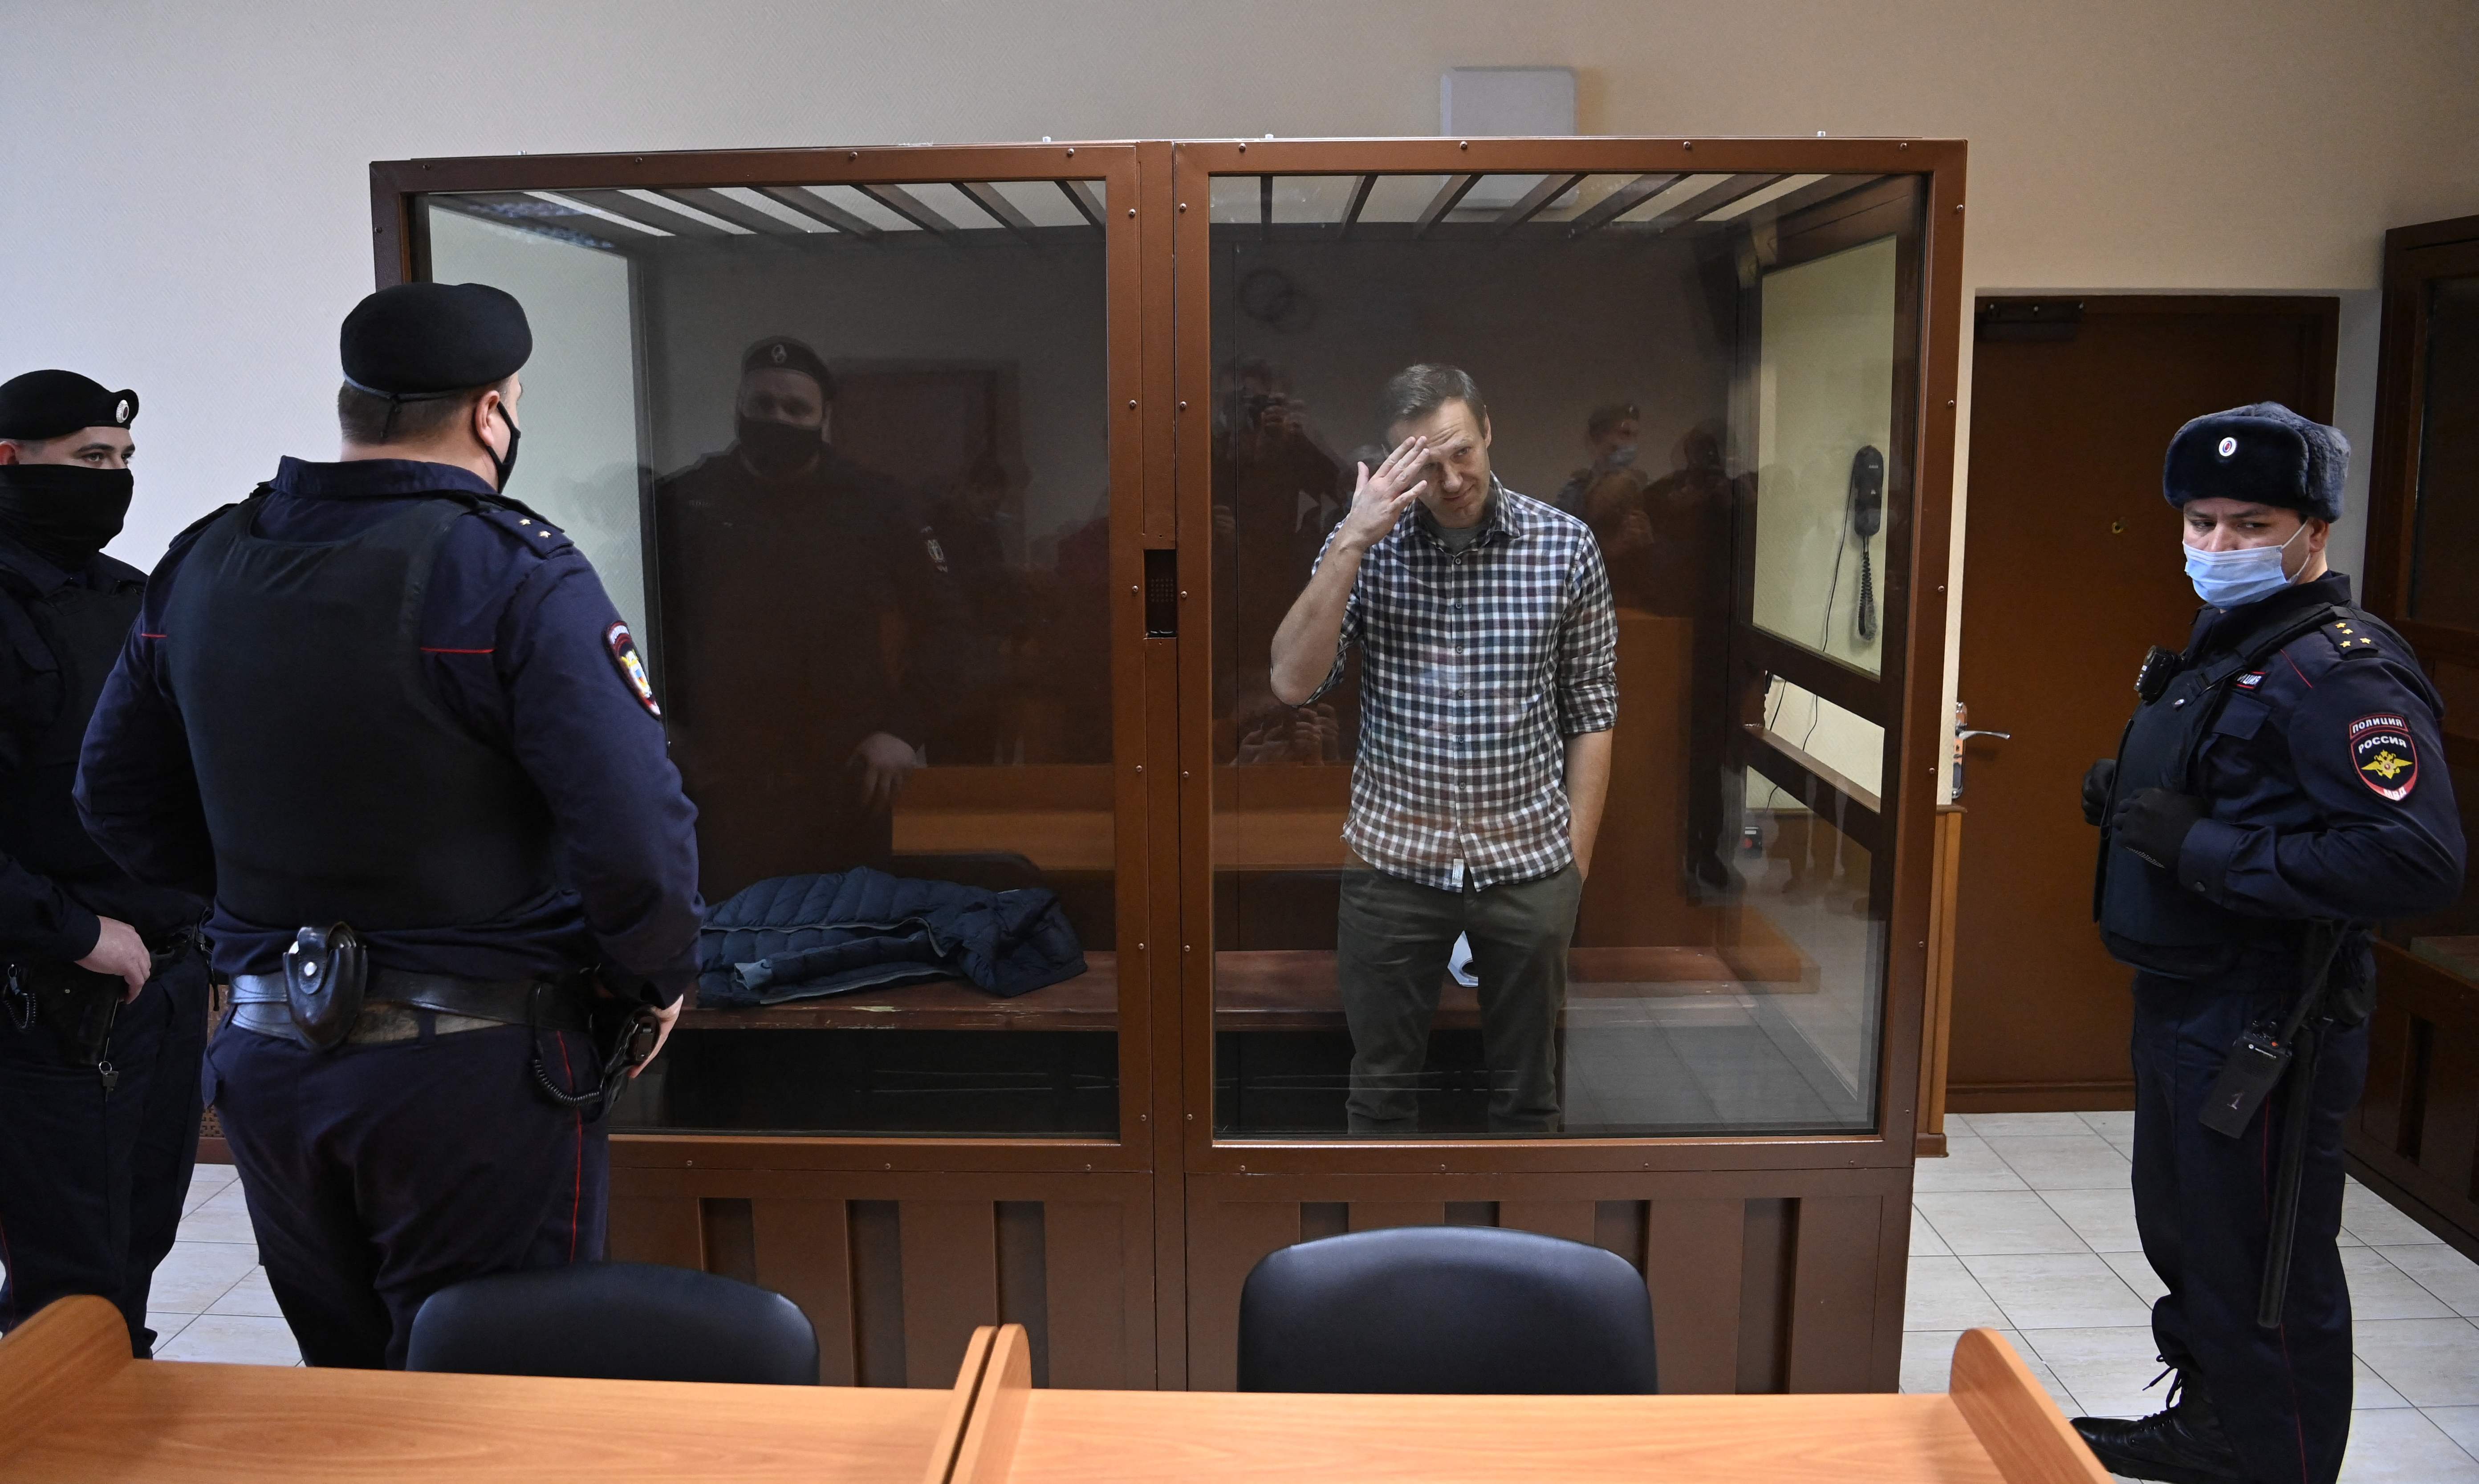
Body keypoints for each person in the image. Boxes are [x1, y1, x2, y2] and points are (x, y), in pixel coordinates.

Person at [74, 283, 703, 1369]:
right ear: (491, 412)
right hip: (477, 1074)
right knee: (494, 1393)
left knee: (351, 1388)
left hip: (271, 1058)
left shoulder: (207, 560)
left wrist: (254, 921)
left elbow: (114, 796)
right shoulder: (514, 574)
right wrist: (650, 979)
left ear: (353, 405)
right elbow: (634, 835)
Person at [2073, 403, 2466, 1484]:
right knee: (2192, 1238)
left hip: (2269, 1015)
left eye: (2248, 524)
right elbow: (2250, 788)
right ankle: (2214, 1427)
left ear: (2312, 530)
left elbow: (2412, 861)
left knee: (2268, 1269)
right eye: (2199, 521)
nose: (2216, 547)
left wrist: (2204, 847)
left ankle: (2276, 1461)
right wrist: (2135, 803)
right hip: (2187, 997)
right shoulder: (2231, 650)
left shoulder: (2337, 671)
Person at [1269, 364, 1616, 1134]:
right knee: (1380, 1091)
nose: (1450, 478)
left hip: (1528, 862)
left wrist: (1573, 868)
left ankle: (1517, 1255)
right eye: (1424, 464)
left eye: (1460, 450)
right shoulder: (1365, 543)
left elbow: (1591, 708)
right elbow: (1292, 681)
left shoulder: (1564, 546)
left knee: (1529, 1096)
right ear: (1393, 463)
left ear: (1487, 429)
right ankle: (1385, 1257)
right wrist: (1353, 537)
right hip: (1393, 861)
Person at [0, 371, 209, 1355]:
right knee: (67, 1280)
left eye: (123, 460)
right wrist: (77, 931)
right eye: (90, 459)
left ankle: (117, 1431)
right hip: (45, 988)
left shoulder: (134, 595)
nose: (114, 480)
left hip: (162, 974)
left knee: (139, 1241)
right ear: (10, 460)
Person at [651, 337, 964, 897]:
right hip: (717, 782)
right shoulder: (685, 502)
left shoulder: (877, 505)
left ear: (823, 417)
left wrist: (903, 731)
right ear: (738, 408)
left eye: (797, 409)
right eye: (763, 404)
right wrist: (657, 723)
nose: (778, 418)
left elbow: (949, 626)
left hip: (845, 783)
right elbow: (635, 625)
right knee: (728, 953)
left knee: (846, 951)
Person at [1551, 400, 1641, 515]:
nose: (1632, 443)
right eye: (1625, 433)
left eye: (1635, 435)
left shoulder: (1641, 488)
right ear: (1599, 437)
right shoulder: (1576, 492)